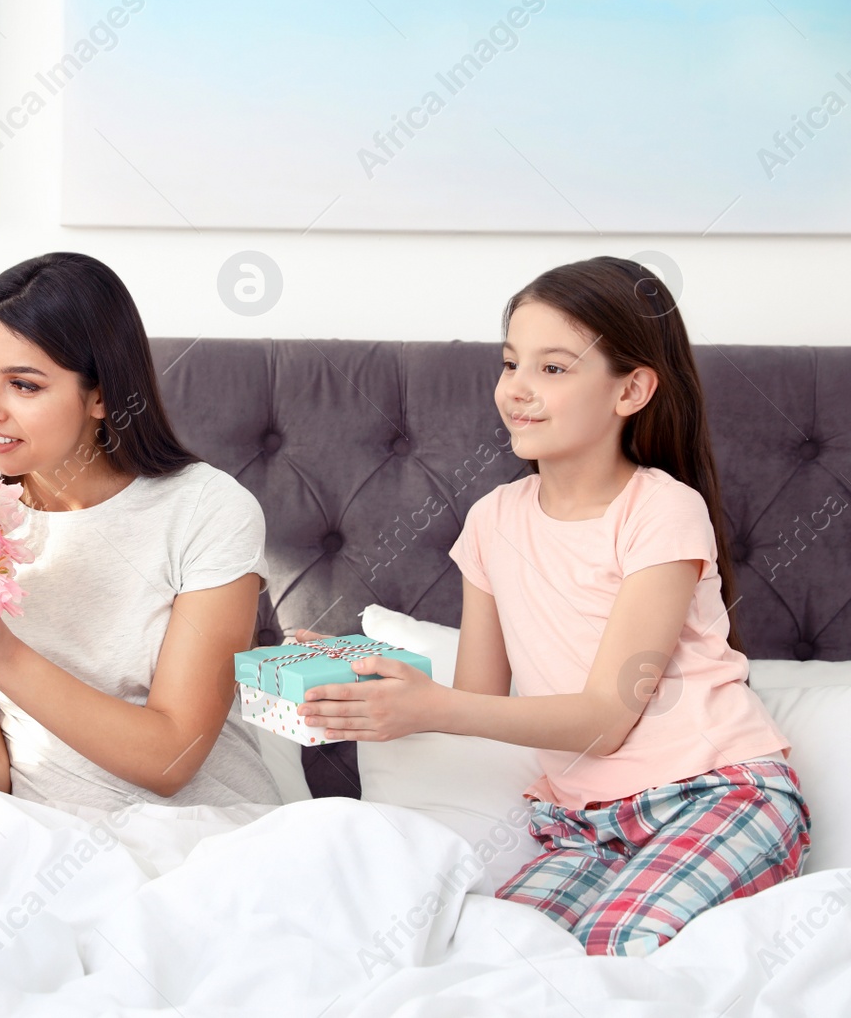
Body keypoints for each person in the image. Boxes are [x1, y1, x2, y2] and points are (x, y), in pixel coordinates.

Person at [299, 257, 810, 956]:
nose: (518, 391)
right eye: (511, 364)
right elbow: (479, 696)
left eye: (554, 368)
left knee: (621, 949)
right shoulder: (492, 519)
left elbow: (605, 715)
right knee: (494, 960)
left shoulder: (662, 510)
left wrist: (432, 706)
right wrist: (358, 672)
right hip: (584, 823)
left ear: (631, 388)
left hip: (720, 796)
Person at [0, 252, 280, 812]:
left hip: (200, 837)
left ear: (102, 394)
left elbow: (172, 759)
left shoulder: (208, 510)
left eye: (24, 386)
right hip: (40, 844)